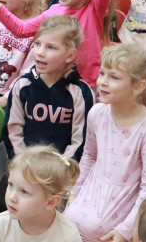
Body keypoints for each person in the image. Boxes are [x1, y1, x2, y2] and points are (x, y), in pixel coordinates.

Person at [65, 43, 146, 242]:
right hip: (95, 188)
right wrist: (75, 193)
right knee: (68, 226)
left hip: (123, 198)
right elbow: (89, 157)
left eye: (114, 77)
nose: (103, 82)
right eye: (102, 73)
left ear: (137, 87)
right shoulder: (97, 113)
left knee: (99, 235)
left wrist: (126, 229)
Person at [6, 15, 93, 160]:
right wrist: (23, 162)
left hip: (62, 171)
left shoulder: (81, 93)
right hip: (25, 167)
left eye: (51, 47)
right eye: (37, 44)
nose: (40, 52)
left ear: (69, 55)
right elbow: (12, 132)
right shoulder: (22, 86)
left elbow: (81, 140)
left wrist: (61, 167)